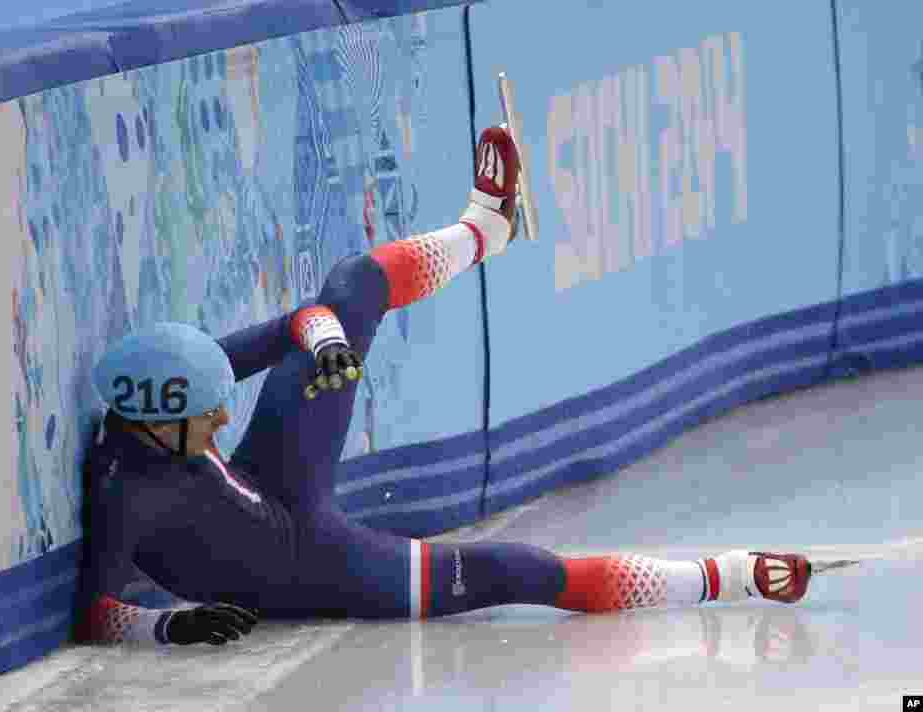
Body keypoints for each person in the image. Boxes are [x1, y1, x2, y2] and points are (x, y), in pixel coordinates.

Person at [77, 127, 813, 647]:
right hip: (316, 566)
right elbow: (98, 614)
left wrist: (326, 342)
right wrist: (167, 626)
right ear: (157, 420)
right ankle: (725, 576)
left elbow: (297, 323)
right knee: (517, 570)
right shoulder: (127, 496)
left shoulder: (167, 394)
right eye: (206, 413)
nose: (220, 413)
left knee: (352, 286)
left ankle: (483, 229)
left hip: (274, 480)